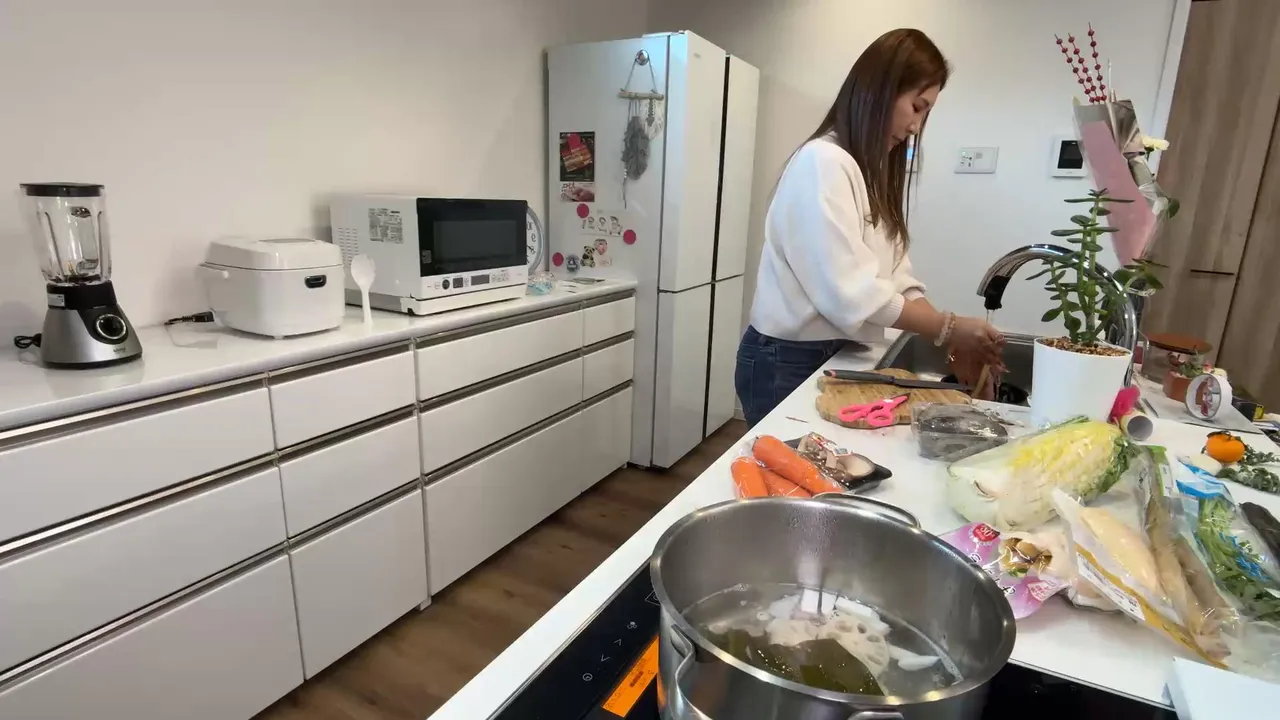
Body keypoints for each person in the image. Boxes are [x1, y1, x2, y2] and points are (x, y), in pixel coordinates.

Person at [736, 28, 1005, 426]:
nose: (916, 126)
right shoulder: (823, 162)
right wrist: (948, 329)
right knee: (795, 462)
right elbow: (850, 293)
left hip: (831, 352)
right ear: (880, 91)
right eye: (916, 107)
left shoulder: (867, 173)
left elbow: (899, 281)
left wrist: (947, 336)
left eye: (925, 114)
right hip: (787, 359)